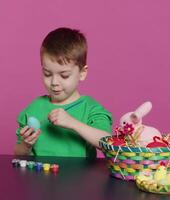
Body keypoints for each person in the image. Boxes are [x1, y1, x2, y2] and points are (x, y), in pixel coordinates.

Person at [14, 27, 112, 158]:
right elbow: (18, 154)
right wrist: (26, 145)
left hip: (79, 178)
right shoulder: (33, 108)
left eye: (64, 75)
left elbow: (107, 143)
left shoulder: (90, 108)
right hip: (39, 177)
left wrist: (72, 123)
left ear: (82, 73)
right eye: (47, 74)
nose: (54, 82)